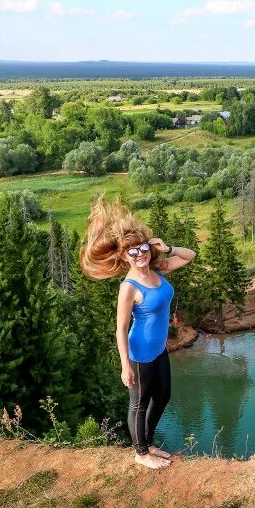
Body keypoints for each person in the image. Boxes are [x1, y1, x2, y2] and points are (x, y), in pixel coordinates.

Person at [81, 197, 196, 469]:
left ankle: (148, 442)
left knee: (163, 396)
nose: (140, 254)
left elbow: (189, 256)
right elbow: (120, 328)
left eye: (142, 248)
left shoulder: (158, 268)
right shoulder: (128, 287)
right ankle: (140, 452)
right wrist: (125, 365)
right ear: (123, 256)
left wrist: (166, 247)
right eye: (132, 251)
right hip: (139, 352)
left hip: (158, 349)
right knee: (139, 403)